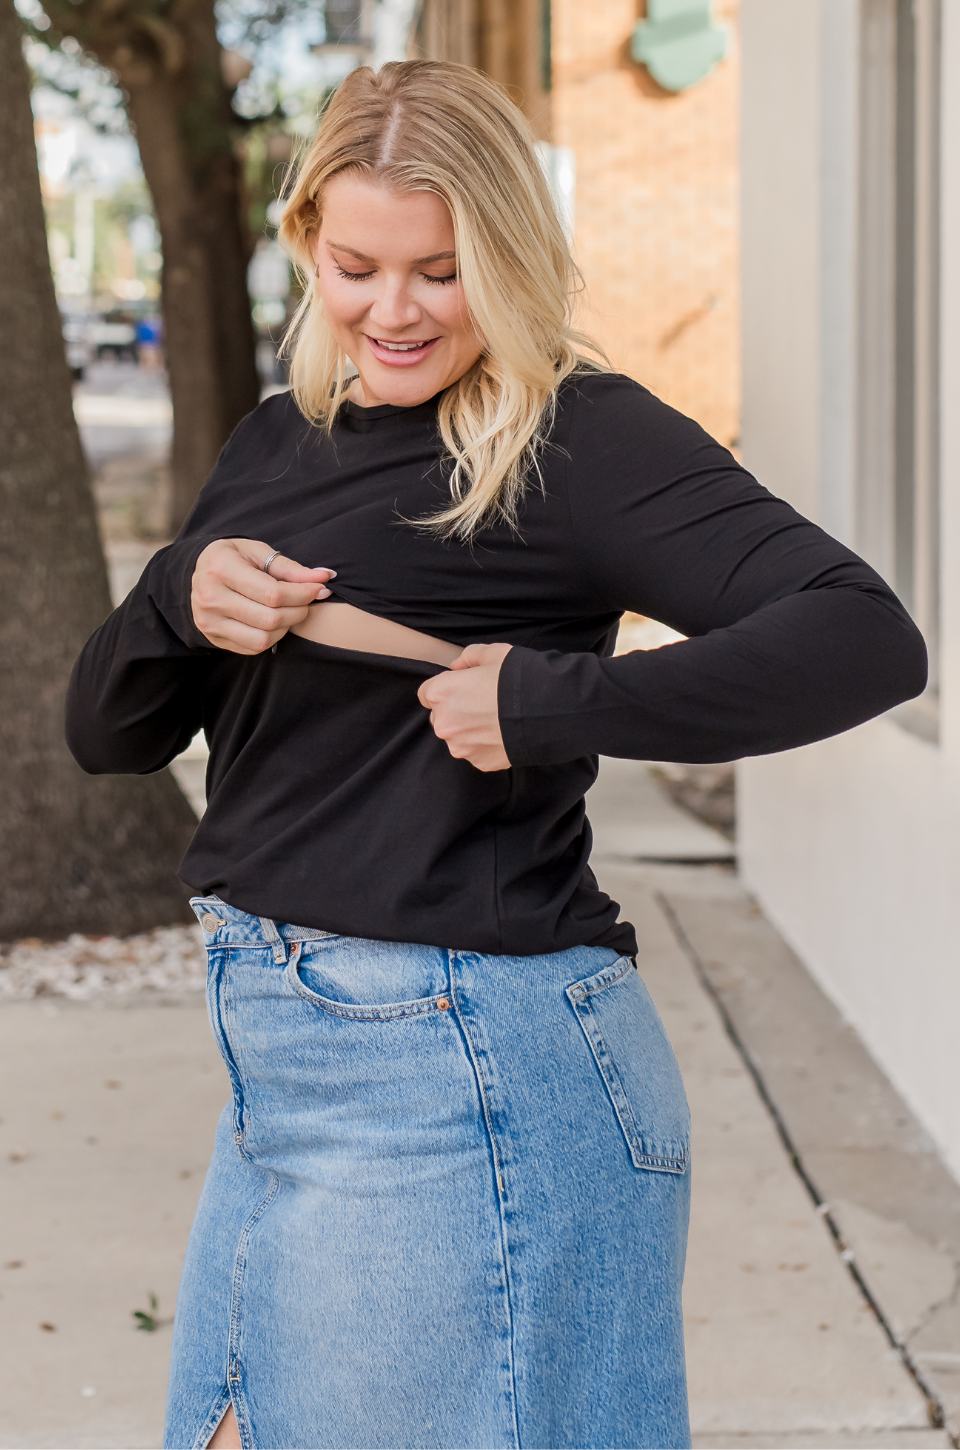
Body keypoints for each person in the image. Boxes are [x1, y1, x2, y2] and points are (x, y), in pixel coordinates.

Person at [65, 60, 927, 1450]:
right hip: (287, 1059)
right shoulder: (283, 437)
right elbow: (109, 734)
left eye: (442, 271)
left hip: (462, 1057)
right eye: (357, 266)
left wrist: (554, 702)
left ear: (513, 257)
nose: (392, 309)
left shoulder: (580, 440)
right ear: (306, 246)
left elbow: (864, 636)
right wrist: (177, 593)